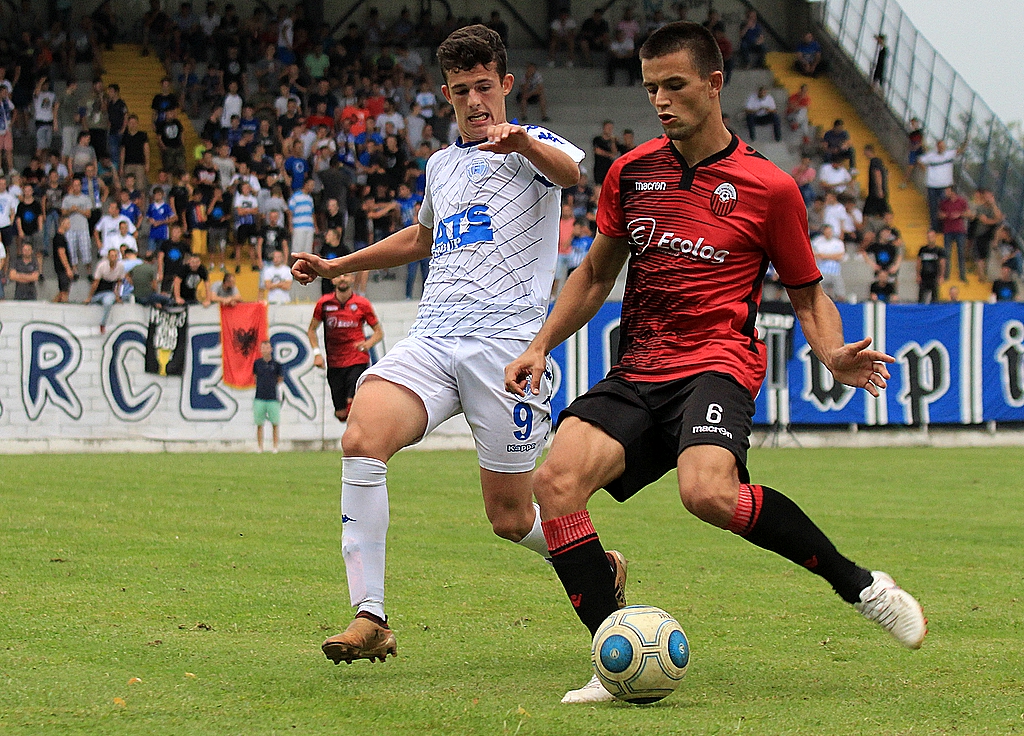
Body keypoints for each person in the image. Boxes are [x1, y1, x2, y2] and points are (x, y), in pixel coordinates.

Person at [503, 21, 926, 705]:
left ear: (715, 83)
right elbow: (595, 275)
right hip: (640, 367)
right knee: (554, 484)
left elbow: (807, 293)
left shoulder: (769, 187)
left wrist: (830, 352)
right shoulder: (631, 173)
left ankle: (863, 587)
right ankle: (614, 651)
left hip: (716, 364)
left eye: (675, 85)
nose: (661, 101)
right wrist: (539, 344)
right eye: (651, 88)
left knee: (707, 494)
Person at [290, 24, 584, 666]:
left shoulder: (536, 147)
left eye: (484, 86)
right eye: (460, 91)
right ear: (446, 95)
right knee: (361, 438)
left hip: (505, 350)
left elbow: (570, 174)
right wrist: (338, 265)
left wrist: (521, 141)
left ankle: (593, 562)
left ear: (505, 85)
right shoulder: (442, 165)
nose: (474, 101)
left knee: (510, 518)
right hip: (433, 339)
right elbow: (422, 238)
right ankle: (370, 616)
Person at [308, 273, 384, 422]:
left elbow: (379, 332)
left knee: (352, 402)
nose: (342, 278)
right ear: (332, 280)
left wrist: (367, 344)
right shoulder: (324, 303)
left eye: (346, 275)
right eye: (338, 275)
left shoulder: (362, 303)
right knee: (341, 414)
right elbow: (311, 330)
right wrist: (317, 354)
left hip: (357, 360)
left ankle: (359, 434)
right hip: (334, 362)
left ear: (352, 278)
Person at [918, 139, 960, 231]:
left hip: (944, 185)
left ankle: (943, 226)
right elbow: (920, 160)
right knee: (933, 207)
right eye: (939, 146)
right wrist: (926, 171)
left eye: (942, 146)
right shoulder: (931, 155)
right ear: (937, 147)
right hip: (932, 185)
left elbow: (959, 151)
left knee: (944, 206)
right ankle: (934, 227)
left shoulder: (949, 154)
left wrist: (966, 142)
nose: (941, 148)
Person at [252, 340, 283, 453]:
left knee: (275, 423)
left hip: (273, 398)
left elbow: (280, 379)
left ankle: (275, 446)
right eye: (263, 348)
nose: (265, 350)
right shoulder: (257, 363)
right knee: (259, 423)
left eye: (267, 348)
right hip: (259, 397)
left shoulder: (276, 364)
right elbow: (255, 377)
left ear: (271, 349)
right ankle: (260, 447)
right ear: (261, 350)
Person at [85, 247, 125, 333]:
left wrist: (117, 296)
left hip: (110, 291)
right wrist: (89, 297)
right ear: (108, 257)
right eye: (112, 256)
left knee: (108, 302)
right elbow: (95, 282)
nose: (113, 258)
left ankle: (103, 324)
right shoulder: (102, 266)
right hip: (99, 291)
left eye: (115, 256)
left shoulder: (120, 267)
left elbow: (119, 282)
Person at [938, 186, 968, 282]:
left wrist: (959, 214)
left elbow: (969, 214)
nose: (946, 193)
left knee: (961, 253)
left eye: (948, 191)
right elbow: (939, 214)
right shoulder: (943, 202)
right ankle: (946, 275)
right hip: (948, 230)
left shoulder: (962, 201)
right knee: (947, 253)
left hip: (959, 230)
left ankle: (962, 275)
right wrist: (943, 215)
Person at [811, 224, 846, 301]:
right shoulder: (817, 242)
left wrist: (824, 256)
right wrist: (833, 256)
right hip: (821, 271)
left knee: (840, 294)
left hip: (835, 272)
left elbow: (840, 256)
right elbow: (815, 255)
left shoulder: (838, 243)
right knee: (819, 295)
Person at [916, 230, 945, 304]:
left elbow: (942, 263)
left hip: (934, 276)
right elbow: (919, 263)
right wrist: (918, 275)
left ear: (935, 237)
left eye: (931, 237)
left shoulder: (939, 250)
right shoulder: (923, 250)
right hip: (924, 276)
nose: (930, 239)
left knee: (934, 298)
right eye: (928, 237)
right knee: (921, 298)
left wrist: (941, 276)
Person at [52, 215, 75, 303]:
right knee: (64, 291)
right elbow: (61, 253)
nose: (69, 225)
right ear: (62, 224)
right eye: (67, 223)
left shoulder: (62, 237)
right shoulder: (59, 238)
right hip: (62, 269)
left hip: (63, 268)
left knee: (64, 290)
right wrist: (68, 268)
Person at [862, 145, 890, 218]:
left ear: (869, 151)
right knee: (870, 210)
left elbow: (877, 174)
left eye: (865, 151)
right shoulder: (879, 161)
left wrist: (879, 189)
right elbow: (887, 173)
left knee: (882, 210)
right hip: (876, 191)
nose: (864, 154)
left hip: (875, 191)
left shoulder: (874, 161)